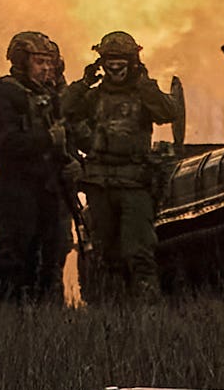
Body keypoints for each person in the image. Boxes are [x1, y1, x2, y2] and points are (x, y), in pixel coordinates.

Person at [61, 31, 180, 303]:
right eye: (110, 60)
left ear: (132, 62)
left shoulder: (142, 94)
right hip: (100, 185)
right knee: (106, 254)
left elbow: (169, 112)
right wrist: (83, 83)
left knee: (139, 253)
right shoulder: (92, 97)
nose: (115, 67)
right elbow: (62, 110)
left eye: (121, 61)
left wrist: (145, 83)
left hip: (135, 185)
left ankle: (147, 315)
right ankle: (111, 314)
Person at [0, 31, 74, 304]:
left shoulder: (52, 97)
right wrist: (47, 139)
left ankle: (45, 319)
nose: (47, 68)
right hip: (15, 189)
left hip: (49, 188)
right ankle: (2, 319)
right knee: (12, 258)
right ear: (22, 62)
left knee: (50, 258)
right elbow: (7, 144)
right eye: (40, 62)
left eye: (50, 62)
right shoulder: (4, 95)